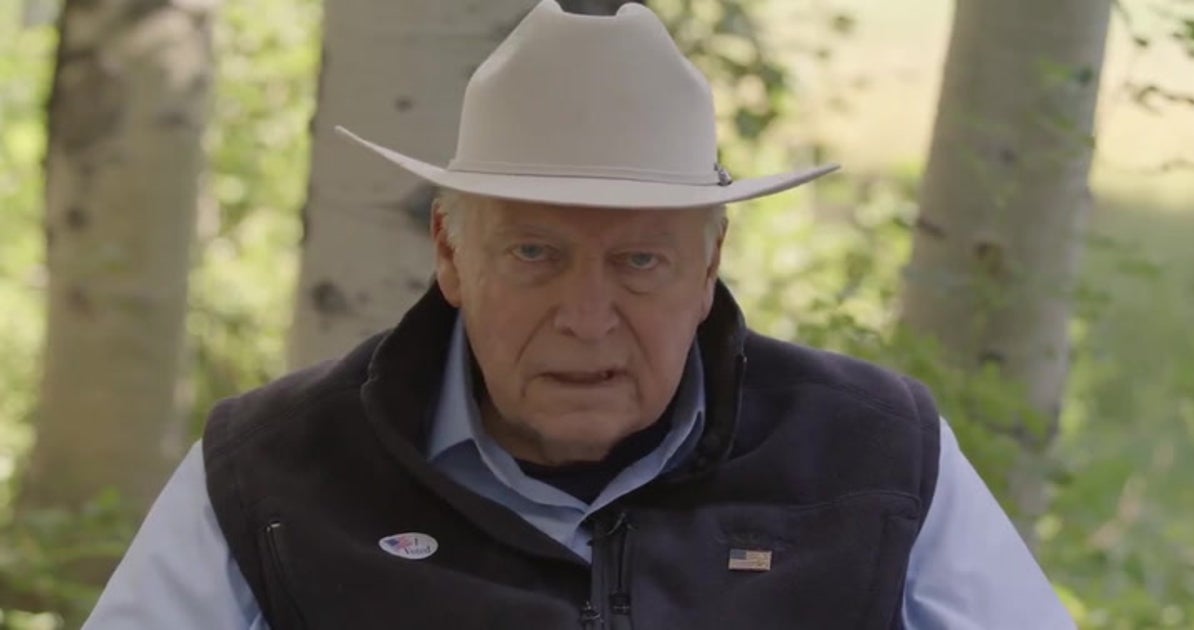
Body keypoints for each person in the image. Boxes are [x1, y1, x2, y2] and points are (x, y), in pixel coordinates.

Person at [83, 1, 1075, 628]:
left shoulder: (873, 451)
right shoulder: (274, 466)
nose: (587, 316)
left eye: (639, 260)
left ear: (708, 267)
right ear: (449, 255)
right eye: (534, 253)